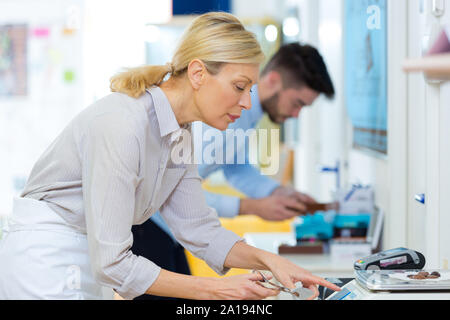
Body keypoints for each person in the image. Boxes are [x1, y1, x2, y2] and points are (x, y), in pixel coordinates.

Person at [0, 12, 340, 300]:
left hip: (86, 258)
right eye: (239, 87)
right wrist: (217, 289)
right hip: (45, 260)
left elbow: (198, 227)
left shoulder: (179, 132)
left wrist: (269, 260)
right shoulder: (123, 123)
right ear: (197, 73)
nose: (248, 103)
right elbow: (113, 262)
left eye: (250, 90)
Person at [133, 43, 336, 300]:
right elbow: (178, 196)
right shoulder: (216, 117)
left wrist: (277, 192)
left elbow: (235, 168)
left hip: (168, 226)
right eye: (297, 103)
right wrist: (251, 207)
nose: (296, 115)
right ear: (273, 80)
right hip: (149, 223)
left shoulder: (245, 115)